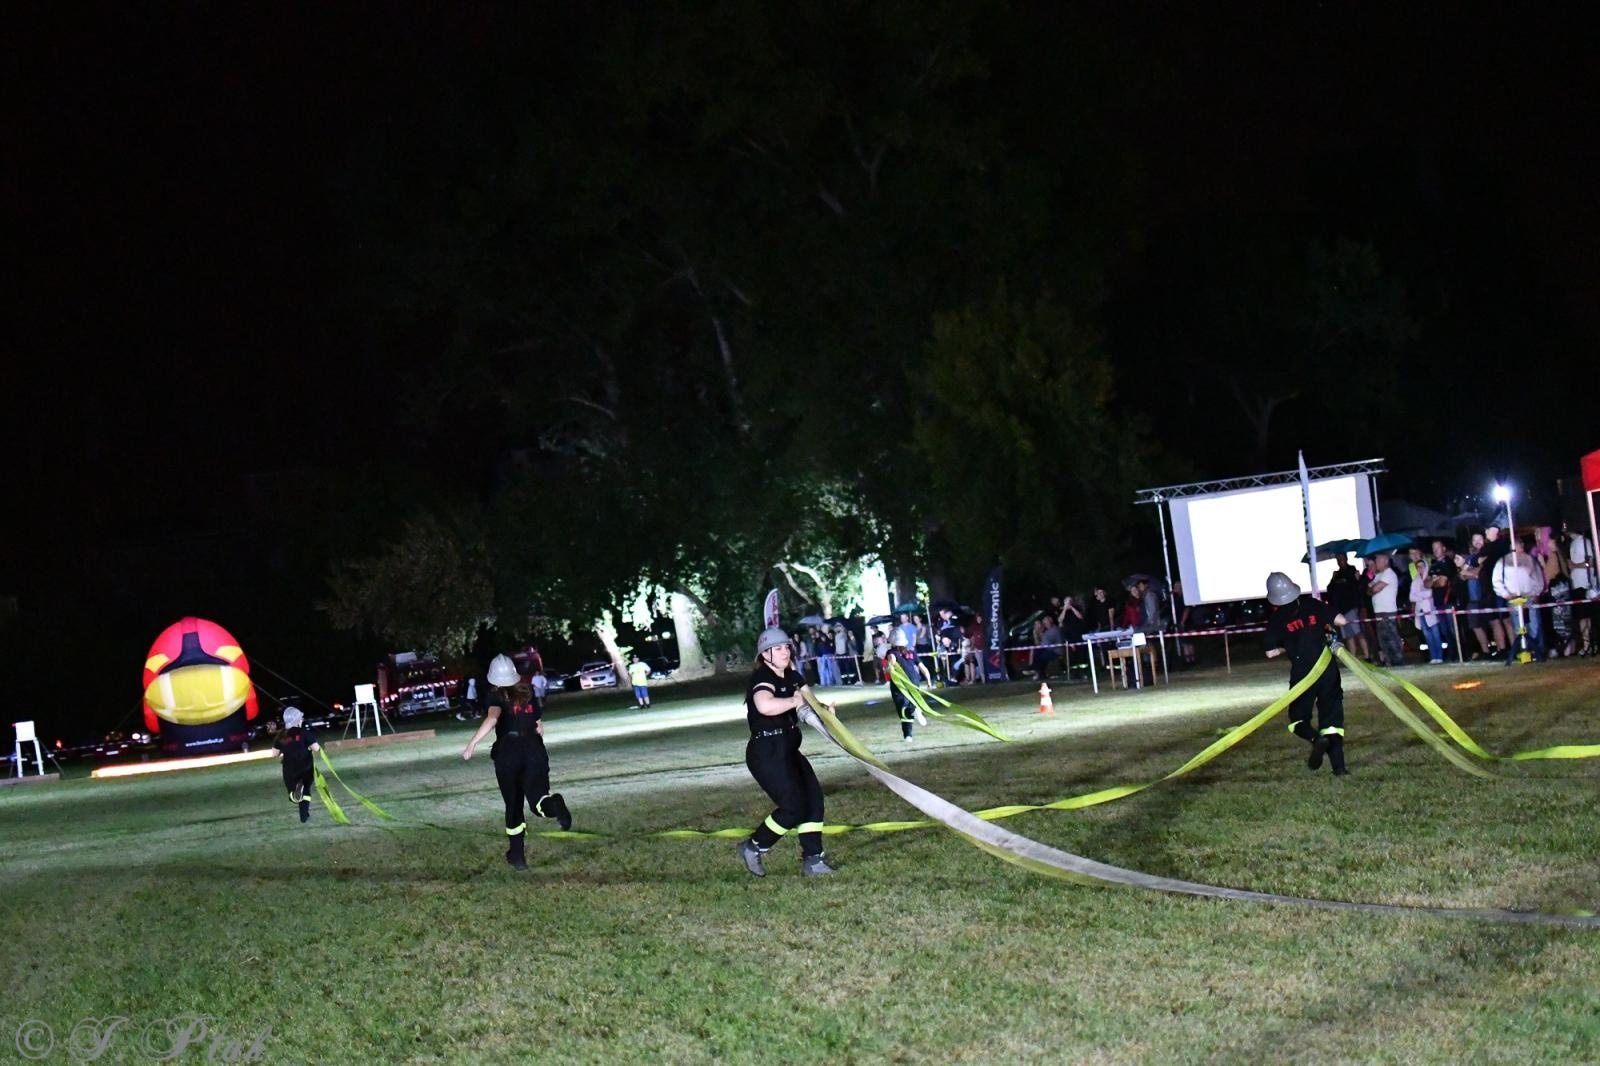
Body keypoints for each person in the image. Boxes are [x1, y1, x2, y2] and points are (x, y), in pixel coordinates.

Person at [736, 628, 837, 877]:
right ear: (765, 654)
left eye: (787, 647)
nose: (785, 652)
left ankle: (813, 859)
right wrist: (794, 701)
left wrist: (825, 711)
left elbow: (811, 703)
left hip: (789, 749)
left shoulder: (793, 676)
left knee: (813, 800)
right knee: (793, 807)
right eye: (778, 648)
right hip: (766, 752)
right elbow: (765, 705)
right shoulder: (763, 676)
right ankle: (754, 847)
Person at [462, 654, 572, 870]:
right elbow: (539, 727)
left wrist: (472, 744)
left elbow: (492, 718)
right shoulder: (528, 693)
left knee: (513, 804)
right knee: (539, 801)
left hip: (509, 753)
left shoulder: (495, 696)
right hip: (534, 749)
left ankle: (517, 856)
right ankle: (555, 806)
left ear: (493, 677)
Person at [1261, 573, 1350, 775]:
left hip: (1302, 674)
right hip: (1327, 669)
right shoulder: (1312, 604)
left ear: (1274, 599)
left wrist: (1287, 647)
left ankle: (1315, 739)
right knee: (1332, 720)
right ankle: (1340, 769)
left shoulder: (1277, 619)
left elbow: (1270, 652)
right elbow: (1342, 621)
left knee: (1298, 719)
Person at [1493, 534, 1547, 663]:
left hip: (1529, 597)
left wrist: (1536, 593)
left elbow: (1538, 577)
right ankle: (1523, 649)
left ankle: (1536, 650)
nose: (1521, 547)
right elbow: (1497, 581)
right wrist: (1506, 594)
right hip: (1514, 600)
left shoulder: (1529, 560)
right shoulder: (1503, 562)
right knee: (1519, 626)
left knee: (1534, 625)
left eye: (1521, 544)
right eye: (1518, 544)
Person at [273, 706, 321, 823]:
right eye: (301, 718)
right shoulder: (304, 732)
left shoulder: (281, 735)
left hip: (289, 769)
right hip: (306, 766)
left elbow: (274, 754)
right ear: (297, 720)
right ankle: (304, 816)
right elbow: (316, 748)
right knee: (306, 790)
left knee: (293, 793)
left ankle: (294, 796)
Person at [882, 629, 932, 741]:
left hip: (900, 683)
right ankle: (908, 733)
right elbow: (923, 668)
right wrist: (928, 681)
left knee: (902, 707)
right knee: (909, 704)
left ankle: (909, 730)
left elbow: (892, 662)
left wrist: (887, 669)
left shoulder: (891, 652)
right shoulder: (911, 653)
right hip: (914, 682)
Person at [1325, 559, 1370, 662]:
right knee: (1348, 635)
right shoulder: (1336, 574)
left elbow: (1357, 587)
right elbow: (1330, 589)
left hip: (1351, 607)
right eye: (1338, 559)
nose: (1340, 561)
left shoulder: (1352, 571)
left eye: (1341, 558)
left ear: (1345, 559)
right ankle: (1353, 658)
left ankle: (1367, 656)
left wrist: (1359, 607)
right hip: (1341, 610)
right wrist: (1334, 578)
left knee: (1358, 632)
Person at [1366, 553, 1404, 667]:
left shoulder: (1389, 574)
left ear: (1386, 561)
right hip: (1379, 611)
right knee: (1383, 640)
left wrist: (1372, 588)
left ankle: (1398, 662)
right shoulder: (1379, 575)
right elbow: (1369, 590)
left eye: (1378, 561)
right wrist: (1372, 588)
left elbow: (1374, 589)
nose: (1376, 563)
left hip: (1388, 611)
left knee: (1392, 638)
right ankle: (1389, 662)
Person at [1412, 559, 1446, 664]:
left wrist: (1419, 595)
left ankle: (1439, 656)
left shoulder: (1430, 577)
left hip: (1431, 610)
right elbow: (1411, 596)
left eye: (1422, 566)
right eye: (1418, 566)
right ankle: (1433, 657)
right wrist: (1422, 596)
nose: (1420, 568)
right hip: (1420, 611)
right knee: (1427, 635)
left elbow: (1431, 593)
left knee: (1435, 634)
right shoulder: (1415, 580)